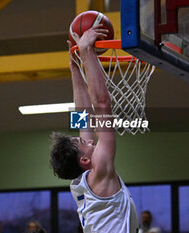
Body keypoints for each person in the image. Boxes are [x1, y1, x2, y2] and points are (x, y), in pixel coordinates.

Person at [49, 24, 138, 233]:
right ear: (84, 160)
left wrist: (75, 69)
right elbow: (102, 104)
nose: (88, 139)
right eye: (83, 142)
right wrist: (86, 52)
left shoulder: (82, 181)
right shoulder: (99, 173)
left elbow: (82, 115)